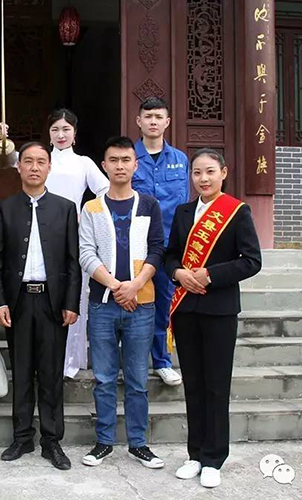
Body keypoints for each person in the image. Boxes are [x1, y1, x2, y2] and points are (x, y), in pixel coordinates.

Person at [163, 149, 261, 488]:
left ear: (223, 173)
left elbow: (251, 261)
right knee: (193, 385)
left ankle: (214, 458)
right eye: (197, 172)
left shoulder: (236, 212)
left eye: (209, 171)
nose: (203, 179)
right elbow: (170, 254)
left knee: (216, 386)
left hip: (219, 309)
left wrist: (209, 274)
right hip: (186, 310)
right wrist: (178, 273)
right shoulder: (183, 212)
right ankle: (194, 454)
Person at [0, 142, 81, 470]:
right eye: (28, 161)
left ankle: (52, 441)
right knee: (22, 370)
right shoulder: (5, 208)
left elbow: (73, 260)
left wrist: (71, 302)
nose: (35, 167)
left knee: (51, 374)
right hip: (19, 301)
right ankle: (22, 436)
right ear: (19, 166)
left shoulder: (65, 208)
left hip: (53, 302)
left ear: (49, 167)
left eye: (41, 161)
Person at [0, 109, 109, 378]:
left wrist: (85, 214)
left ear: (75, 133)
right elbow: (3, 158)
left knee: (70, 299)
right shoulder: (40, 158)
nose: (61, 134)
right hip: (32, 234)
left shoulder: (84, 163)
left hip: (68, 233)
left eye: (66, 129)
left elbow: (104, 190)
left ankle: (69, 362)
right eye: (55, 129)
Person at [78, 136, 165, 470]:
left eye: (126, 160)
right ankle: (104, 442)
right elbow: (86, 253)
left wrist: (136, 285)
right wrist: (117, 287)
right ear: (104, 165)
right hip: (103, 304)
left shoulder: (148, 205)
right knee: (103, 378)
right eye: (113, 160)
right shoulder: (92, 207)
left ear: (135, 165)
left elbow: (157, 248)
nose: (119, 166)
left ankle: (138, 443)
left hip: (141, 305)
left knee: (137, 379)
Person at [132, 97, 189, 386]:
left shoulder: (180, 160)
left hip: (167, 246)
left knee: (164, 303)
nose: (153, 121)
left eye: (158, 117)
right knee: (134, 302)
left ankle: (162, 361)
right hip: (135, 245)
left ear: (167, 122)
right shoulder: (128, 158)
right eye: (148, 116)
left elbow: (185, 205)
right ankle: (133, 362)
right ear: (138, 121)